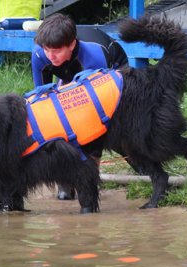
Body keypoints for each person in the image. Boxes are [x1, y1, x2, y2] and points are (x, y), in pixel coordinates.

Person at [30, 13, 127, 200]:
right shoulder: (40, 54)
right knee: (57, 120)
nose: (50, 56)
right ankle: (65, 177)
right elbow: (42, 100)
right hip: (70, 72)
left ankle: (91, 178)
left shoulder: (94, 56)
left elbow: (96, 116)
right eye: (46, 49)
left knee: (104, 128)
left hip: (112, 71)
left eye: (56, 50)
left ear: (72, 44)